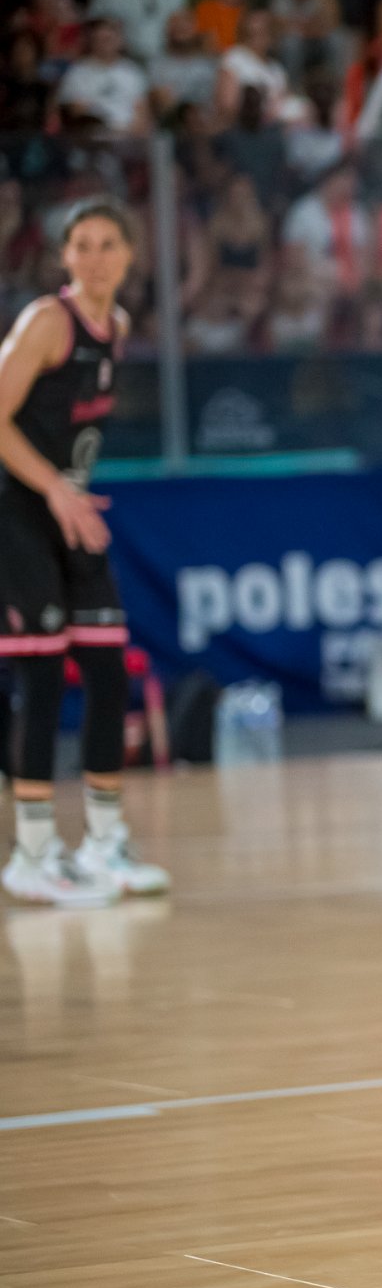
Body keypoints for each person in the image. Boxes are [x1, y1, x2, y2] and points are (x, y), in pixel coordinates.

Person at [0, 200, 170, 907]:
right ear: (64, 257)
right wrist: (55, 491)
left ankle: (104, 841)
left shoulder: (117, 328)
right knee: (41, 678)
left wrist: (68, 497)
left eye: (107, 245)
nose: (95, 258)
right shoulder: (48, 322)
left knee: (106, 667)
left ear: (130, 256)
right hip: (17, 512)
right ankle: (33, 852)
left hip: (70, 514)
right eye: (81, 245)